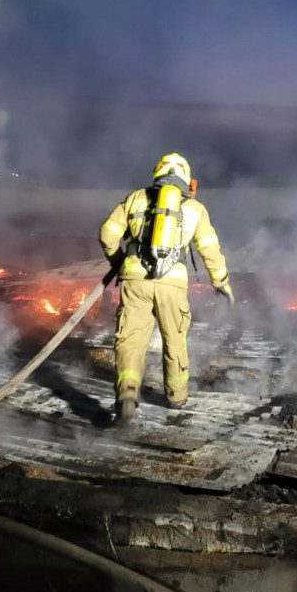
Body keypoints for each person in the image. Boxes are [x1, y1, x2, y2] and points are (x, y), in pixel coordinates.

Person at [99, 153, 234, 425]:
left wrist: (117, 261)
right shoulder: (195, 209)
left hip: (135, 282)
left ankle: (126, 395)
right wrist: (221, 283)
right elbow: (210, 250)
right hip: (172, 284)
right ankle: (176, 396)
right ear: (186, 178)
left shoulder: (136, 198)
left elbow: (107, 234)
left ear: (157, 173)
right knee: (174, 339)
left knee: (130, 340)